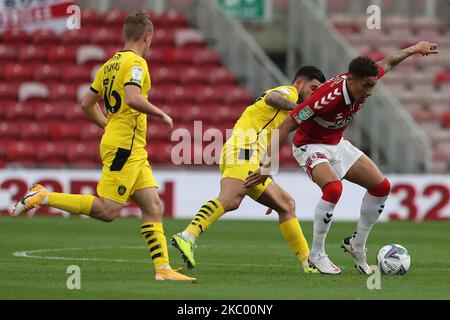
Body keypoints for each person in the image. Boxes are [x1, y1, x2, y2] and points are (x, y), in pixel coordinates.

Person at [12, 11, 195, 281]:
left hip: (126, 144)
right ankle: (43, 196)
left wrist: (108, 125)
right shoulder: (136, 63)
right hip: (126, 147)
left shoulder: (109, 65)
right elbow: (133, 98)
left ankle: (163, 270)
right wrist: (161, 113)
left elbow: (86, 103)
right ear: (147, 37)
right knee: (107, 210)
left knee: (153, 205)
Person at [245, 41, 439, 275]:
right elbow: (285, 126)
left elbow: (388, 62)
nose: (369, 92)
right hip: (309, 145)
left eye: (373, 85)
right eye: (366, 86)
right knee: (334, 189)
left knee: (381, 187)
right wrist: (267, 167)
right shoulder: (325, 99)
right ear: (351, 80)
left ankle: (357, 244)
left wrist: (414, 48)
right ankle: (316, 254)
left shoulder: (367, 77)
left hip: (336, 144)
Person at [171, 66, 326, 273]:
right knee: (230, 199)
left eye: (319, 90)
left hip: (249, 155)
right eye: (313, 88)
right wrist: (299, 108)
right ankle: (187, 235)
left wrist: (265, 170)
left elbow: (269, 135)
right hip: (244, 149)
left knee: (285, 204)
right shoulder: (289, 93)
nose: (314, 94)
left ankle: (309, 263)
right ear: (298, 83)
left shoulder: (287, 117)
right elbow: (272, 97)